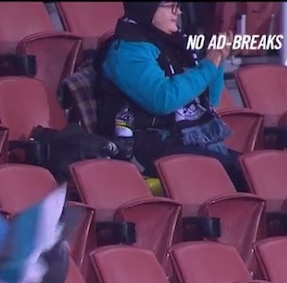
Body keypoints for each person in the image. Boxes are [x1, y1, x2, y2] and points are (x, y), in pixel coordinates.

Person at [94, 2, 247, 191]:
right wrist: (210, 64)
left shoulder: (174, 45)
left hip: (180, 138)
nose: (178, 11)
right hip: (145, 142)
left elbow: (209, 101)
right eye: (170, 5)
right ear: (147, 8)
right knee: (235, 173)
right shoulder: (127, 50)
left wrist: (219, 59)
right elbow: (163, 99)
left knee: (251, 170)